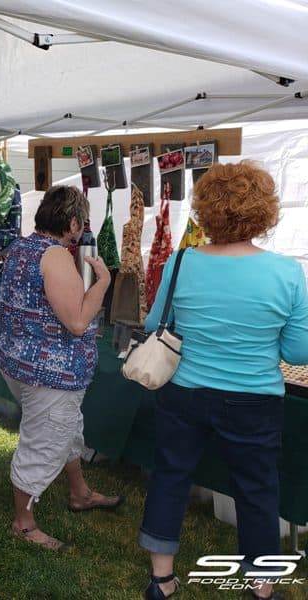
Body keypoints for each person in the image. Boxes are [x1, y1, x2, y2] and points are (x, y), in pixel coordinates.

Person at [138, 161, 308, 600]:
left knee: (170, 476)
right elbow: (297, 353)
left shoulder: (180, 263)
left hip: (184, 392)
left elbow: (156, 322)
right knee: (256, 490)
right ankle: (262, 587)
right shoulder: (287, 272)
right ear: (264, 212)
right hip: (254, 398)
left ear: (205, 210)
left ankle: (161, 580)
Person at [0, 184, 122, 551]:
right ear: (72, 222)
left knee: (66, 428)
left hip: (20, 362)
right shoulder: (55, 256)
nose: (83, 230)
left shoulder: (22, 247)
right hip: (50, 371)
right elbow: (79, 322)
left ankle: (79, 492)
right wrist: (103, 283)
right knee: (45, 440)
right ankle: (23, 522)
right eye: (82, 223)